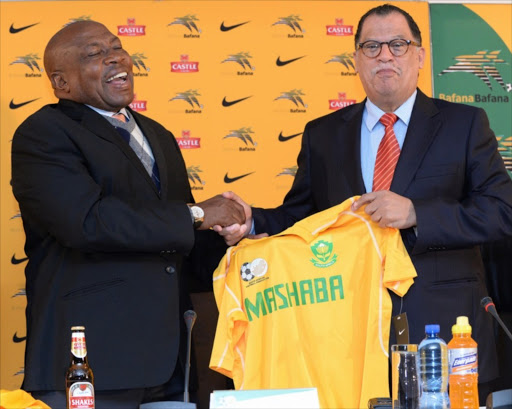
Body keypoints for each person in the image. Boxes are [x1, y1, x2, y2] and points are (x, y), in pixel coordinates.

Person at [217, 4, 512, 403]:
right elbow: (305, 217)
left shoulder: (465, 124)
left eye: (398, 44)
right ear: (355, 59)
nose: (384, 55)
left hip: (443, 333)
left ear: (420, 56)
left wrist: (416, 214)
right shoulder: (322, 135)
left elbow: (501, 212)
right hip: (345, 334)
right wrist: (252, 222)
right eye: (371, 46)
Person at [10, 20, 245, 409]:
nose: (116, 57)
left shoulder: (159, 135)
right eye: (94, 54)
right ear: (61, 83)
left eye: (116, 47)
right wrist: (199, 213)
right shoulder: (43, 133)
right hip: (93, 364)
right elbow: (87, 222)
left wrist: (237, 234)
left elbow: (178, 240)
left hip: (171, 363)